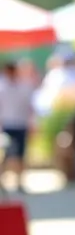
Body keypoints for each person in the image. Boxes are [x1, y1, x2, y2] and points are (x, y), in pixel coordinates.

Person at [0, 62, 36, 192]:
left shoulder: (23, 87)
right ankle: (3, 180)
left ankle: (19, 182)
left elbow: (29, 107)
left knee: (20, 155)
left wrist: (32, 123)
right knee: (5, 155)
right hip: (7, 124)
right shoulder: (2, 87)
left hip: (20, 124)